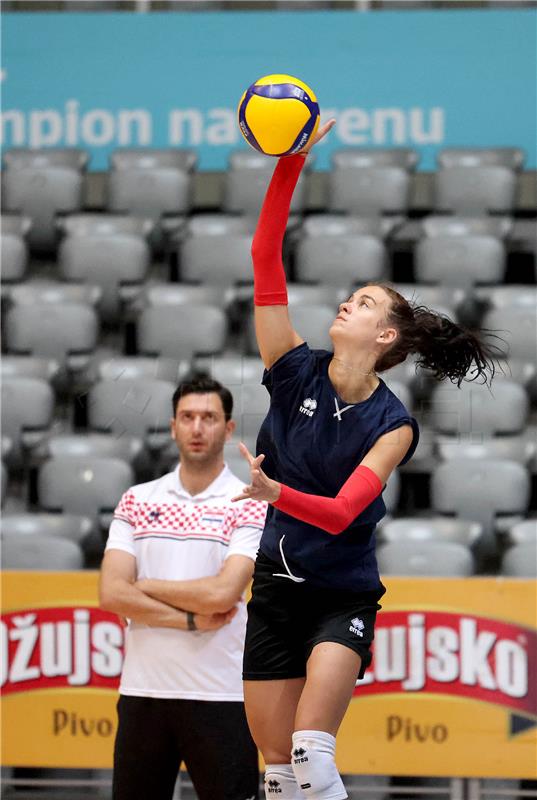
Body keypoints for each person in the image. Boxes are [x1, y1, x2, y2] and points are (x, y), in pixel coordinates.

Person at [231, 120, 499, 800]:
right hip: (273, 587)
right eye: (352, 296)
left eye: (365, 302)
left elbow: (344, 511)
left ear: (383, 334)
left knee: (309, 754)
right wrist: (291, 160)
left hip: (338, 597)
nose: (347, 300)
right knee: (274, 769)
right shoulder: (292, 371)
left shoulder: (393, 424)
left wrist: (271, 493)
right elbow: (265, 254)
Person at [99, 376, 268, 800]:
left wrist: (147, 585)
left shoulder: (248, 501)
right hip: (143, 691)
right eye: (187, 417)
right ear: (173, 426)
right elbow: (112, 593)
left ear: (228, 429)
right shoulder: (138, 499)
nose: (197, 428)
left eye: (209, 418)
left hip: (222, 693)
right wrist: (191, 621)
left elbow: (223, 594)